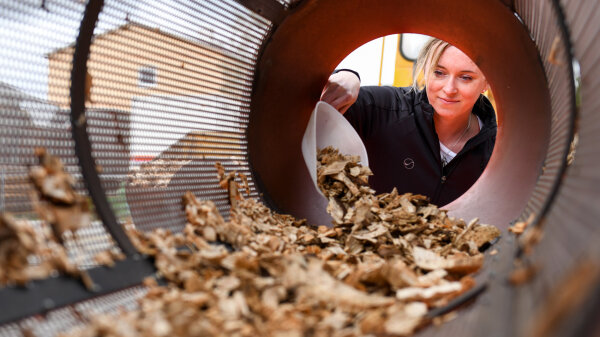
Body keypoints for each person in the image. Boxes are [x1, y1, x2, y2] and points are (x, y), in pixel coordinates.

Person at [320, 38, 497, 206]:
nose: (449, 89)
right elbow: (317, 104)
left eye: (465, 77)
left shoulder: (496, 150)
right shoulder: (387, 109)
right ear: (427, 71)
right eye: (439, 73)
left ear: (486, 83)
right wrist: (345, 75)